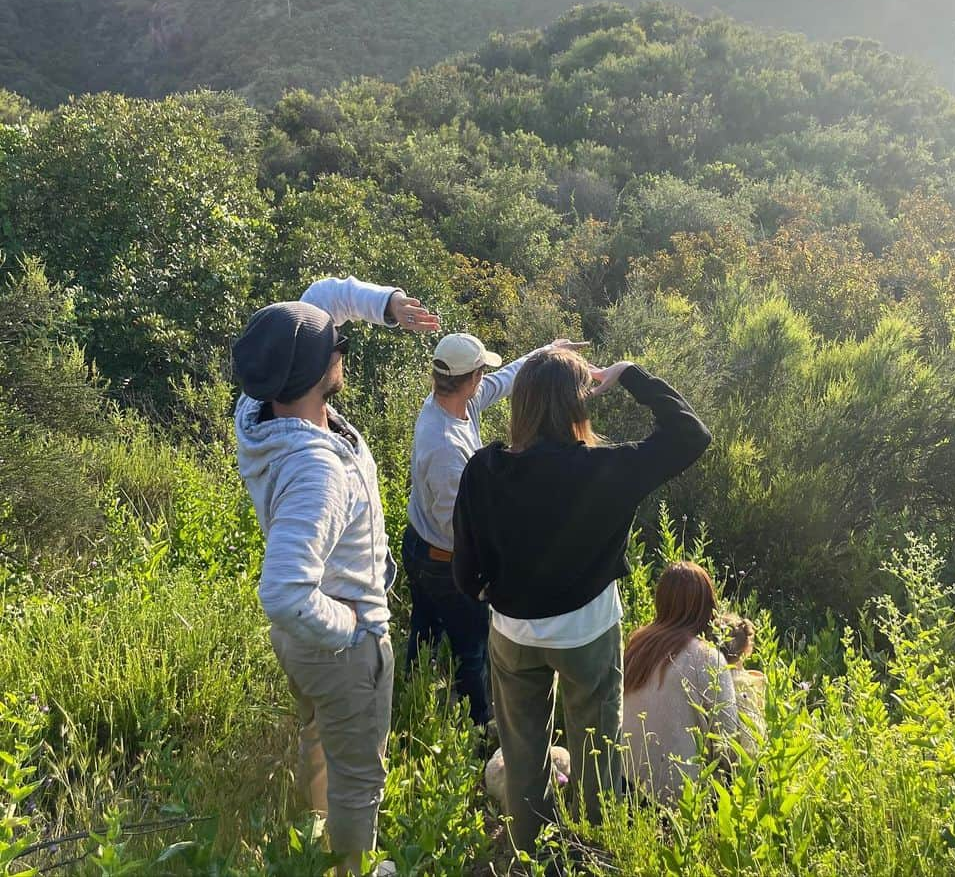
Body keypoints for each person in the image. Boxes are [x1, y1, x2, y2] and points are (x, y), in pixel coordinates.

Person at [451, 350, 712, 855]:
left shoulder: (485, 468)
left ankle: (533, 851)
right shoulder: (608, 468)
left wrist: (487, 593)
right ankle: (592, 849)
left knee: (524, 753)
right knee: (596, 750)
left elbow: (465, 566)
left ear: (521, 403)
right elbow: (690, 434)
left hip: (513, 633)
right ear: (578, 404)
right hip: (587, 632)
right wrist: (630, 376)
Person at [232, 275, 439, 877]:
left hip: (305, 645)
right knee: (359, 775)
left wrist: (386, 305)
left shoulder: (261, 402)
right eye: (334, 352)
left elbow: (319, 301)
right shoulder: (317, 472)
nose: (341, 352)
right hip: (341, 643)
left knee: (319, 736)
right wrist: (352, 630)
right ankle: (353, 867)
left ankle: (310, 832)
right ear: (317, 373)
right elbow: (284, 591)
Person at [404, 333, 586, 727]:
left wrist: (547, 352)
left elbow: (504, 380)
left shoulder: (451, 403)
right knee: (471, 649)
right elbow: (456, 526)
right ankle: (478, 725)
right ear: (468, 379)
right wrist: (494, 567)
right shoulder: (446, 448)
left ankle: (413, 698)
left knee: (425, 631)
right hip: (441, 559)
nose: (484, 379)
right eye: (480, 373)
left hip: (422, 543)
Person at [621, 563, 748, 803]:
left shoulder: (636, 645)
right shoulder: (706, 657)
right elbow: (727, 742)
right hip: (680, 800)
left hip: (625, 786)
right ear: (706, 607)